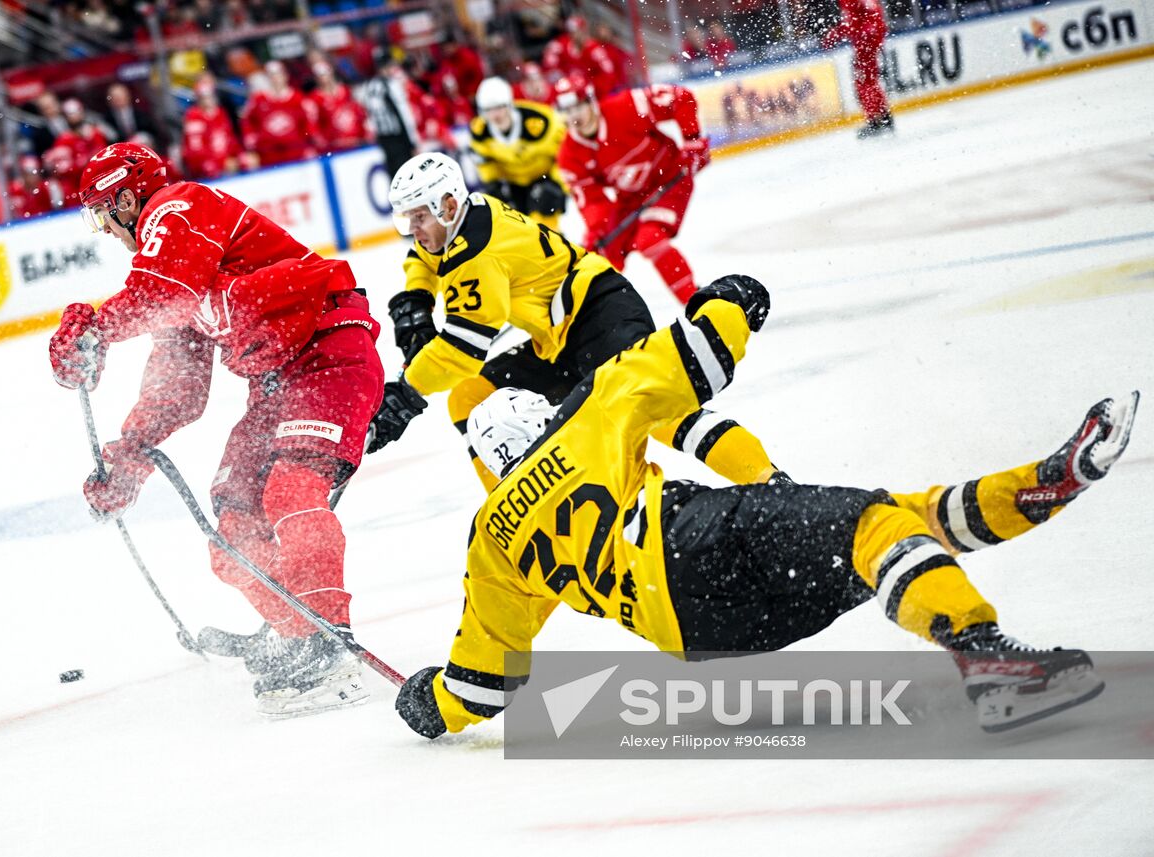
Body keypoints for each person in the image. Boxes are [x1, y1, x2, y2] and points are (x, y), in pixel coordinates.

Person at [393, 274, 1140, 739]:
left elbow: (481, 683)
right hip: (695, 545)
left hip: (709, 635)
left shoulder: (490, 539)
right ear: (538, 421)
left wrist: (431, 702)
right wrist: (731, 305)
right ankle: (990, 662)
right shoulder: (582, 418)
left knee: (883, 528)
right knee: (878, 524)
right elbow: (685, 360)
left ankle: (1048, 479)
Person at [47, 143, 385, 717]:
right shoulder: (176, 268)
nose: (106, 231)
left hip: (330, 354)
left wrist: (98, 328)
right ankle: (297, 631)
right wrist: (128, 457)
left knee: (290, 491)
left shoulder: (176, 208)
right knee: (231, 529)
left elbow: (163, 296)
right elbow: (178, 390)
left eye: (104, 214)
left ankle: (331, 638)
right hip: (277, 382)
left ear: (128, 198)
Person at [366, 153, 780, 492]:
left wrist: (405, 396)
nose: (413, 231)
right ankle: (522, 507)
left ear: (448, 205)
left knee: (661, 414)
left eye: (418, 218)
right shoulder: (468, 214)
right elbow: (425, 256)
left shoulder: (476, 255)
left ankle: (768, 479)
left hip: (601, 313)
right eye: (406, 221)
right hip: (558, 338)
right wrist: (417, 296)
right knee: (469, 398)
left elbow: (461, 351)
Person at [554, 73, 710, 304]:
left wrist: (692, 140)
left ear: (591, 101)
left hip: (668, 179)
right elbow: (593, 201)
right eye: (567, 111)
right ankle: (592, 318)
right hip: (631, 198)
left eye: (579, 106)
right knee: (595, 257)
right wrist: (598, 231)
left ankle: (694, 302)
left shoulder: (626, 106)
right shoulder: (569, 155)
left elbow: (681, 97)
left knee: (650, 239)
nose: (574, 116)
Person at [469, 76, 568, 231]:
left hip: (544, 176)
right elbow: (484, 161)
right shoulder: (480, 132)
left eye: (499, 107)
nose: (495, 115)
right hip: (514, 182)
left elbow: (564, 154)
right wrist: (493, 184)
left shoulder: (539, 122)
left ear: (510, 104)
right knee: (518, 227)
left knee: (544, 225)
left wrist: (558, 183)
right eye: (488, 110)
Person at [821, 0, 893, 138]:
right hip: (869, 38)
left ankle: (875, 119)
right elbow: (864, 17)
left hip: (866, 39)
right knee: (869, 79)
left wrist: (835, 35)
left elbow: (856, 20)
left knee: (864, 81)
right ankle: (883, 116)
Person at [356, 51, 423, 180]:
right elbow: (404, 115)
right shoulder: (392, 85)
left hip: (383, 139)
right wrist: (413, 142)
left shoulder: (368, 87)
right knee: (409, 176)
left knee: (396, 177)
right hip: (399, 137)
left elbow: (365, 113)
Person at [241, 61, 318, 167]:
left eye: (278, 74)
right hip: (268, 154)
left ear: (285, 75)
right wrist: (252, 145)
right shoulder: (259, 100)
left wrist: (309, 144)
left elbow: (309, 124)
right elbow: (247, 121)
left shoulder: (298, 99)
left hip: (296, 152)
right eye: (272, 75)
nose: (276, 78)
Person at [181, 75, 247, 178]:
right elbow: (196, 152)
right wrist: (221, 163)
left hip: (225, 159)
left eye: (211, 96)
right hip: (207, 164)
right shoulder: (194, 117)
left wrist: (239, 155)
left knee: (248, 161)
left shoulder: (221, 113)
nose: (209, 100)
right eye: (205, 97)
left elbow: (230, 139)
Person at [305, 60, 372, 154]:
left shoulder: (347, 91)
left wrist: (367, 134)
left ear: (331, 73)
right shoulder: (314, 99)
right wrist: (324, 145)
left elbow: (361, 113)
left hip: (358, 142)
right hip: (335, 147)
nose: (323, 78)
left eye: (325, 74)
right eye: (319, 76)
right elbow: (313, 126)